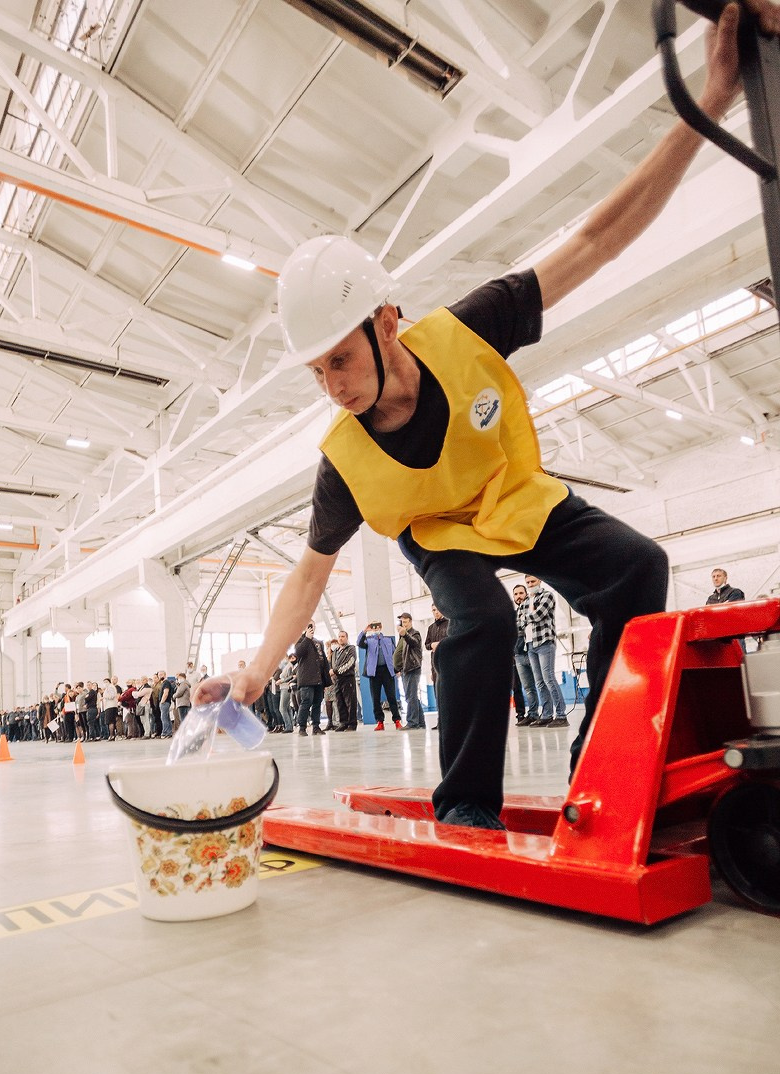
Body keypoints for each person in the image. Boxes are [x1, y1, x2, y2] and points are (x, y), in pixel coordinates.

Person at [195, 3, 777, 828]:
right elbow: (309, 575)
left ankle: (600, 774)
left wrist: (709, 102)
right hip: (440, 535)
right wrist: (255, 673)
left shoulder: (470, 327)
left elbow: (598, 242)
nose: (332, 384)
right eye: (316, 369)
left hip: (517, 497)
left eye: (341, 358)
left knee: (637, 566)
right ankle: (467, 805)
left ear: (385, 321)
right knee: (484, 618)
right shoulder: (343, 461)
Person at [521, 576, 569, 728]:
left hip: (544, 642)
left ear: (539, 581)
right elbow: (519, 623)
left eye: (533, 582)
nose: (530, 585)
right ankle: (547, 715)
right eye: (528, 583)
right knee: (539, 682)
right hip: (529, 644)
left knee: (548, 678)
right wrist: (526, 618)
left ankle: (561, 715)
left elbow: (539, 615)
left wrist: (526, 617)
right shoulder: (525, 602)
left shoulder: (547, 596)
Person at [357, 620, 402, 731]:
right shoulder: (368, 640)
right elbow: (359, 643)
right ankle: (380, 722)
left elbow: (395, 654)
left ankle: (397, 720)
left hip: (387, 671)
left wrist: (397, 669)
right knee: (375, 698)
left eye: (377, 626)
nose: (376, 628)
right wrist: (365, 630)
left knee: (391, 696)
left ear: (381, 627)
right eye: (373, 626)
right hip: (374, 672)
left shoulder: (388, 640)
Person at [294, 622, 330, 736]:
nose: (310, 627)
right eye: (308, 625)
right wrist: (307, 638)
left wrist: (326, 678)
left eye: (312, 625)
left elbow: (323, 659)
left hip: (319, 678)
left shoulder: (319, 642)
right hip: (307, 678)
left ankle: (316, 726)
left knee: (317, 703)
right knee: (306, 702)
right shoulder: (300, 641)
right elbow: (298, 653)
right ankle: (302, 728)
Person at [512, 584, 539, 726]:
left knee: (542, 683)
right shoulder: (513, 614)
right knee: (521, 687)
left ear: (526, 594)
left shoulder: (532, 609)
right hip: (518, 654)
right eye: (516, 594)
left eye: (521, 593)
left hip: (534, 650)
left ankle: (548, 714)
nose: (519, 596)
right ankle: (525, 714)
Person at [395, 612, 425, 729]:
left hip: (412, 668)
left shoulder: (414, 633)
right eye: (402, 622)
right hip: (405, 669)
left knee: (411, 696)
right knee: (412, 697)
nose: (404, 624)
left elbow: (414, 642)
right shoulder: (402, 635)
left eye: (406, 622)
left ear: (411, 622)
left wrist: (405, 634)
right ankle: (421, 722)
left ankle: (412, 722)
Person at [330, 630, 358, 731]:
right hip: (337, 680)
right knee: (339, 702)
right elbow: (332, 665)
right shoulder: (336, 652)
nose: (341, 638)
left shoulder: (351, 649)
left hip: (347, 678)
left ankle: (352, 724)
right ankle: (343, 722)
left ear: (346, 638)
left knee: (350, 701)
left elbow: (350, 662)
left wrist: (336, 671)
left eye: (343, 636)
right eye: (339, 636)